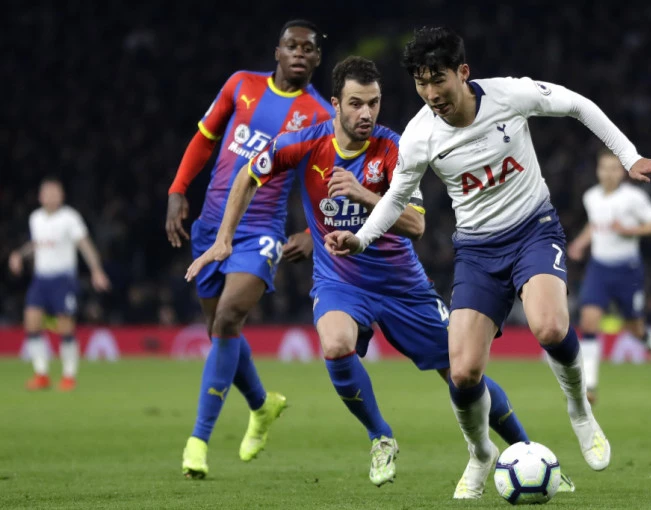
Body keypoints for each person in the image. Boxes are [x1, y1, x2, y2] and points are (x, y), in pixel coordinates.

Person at [186, 56, 575, 492]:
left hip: (402, 286)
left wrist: (364, 194)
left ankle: (527, 452)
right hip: (340, 281)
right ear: (336, 104)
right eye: (356, 103)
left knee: (462, 374)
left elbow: (416, 225)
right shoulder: (305, 142)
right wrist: (224, 239)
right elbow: (247, 174)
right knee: (335, 345)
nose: (366, 113)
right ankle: (380, 436)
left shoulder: (394, 148)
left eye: (373, 103)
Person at [324, 27, 651, 498]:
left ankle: (579, 410)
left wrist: (628, 156)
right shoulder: (419, 136)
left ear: (463, 72)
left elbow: (577, 104)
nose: (431, 94)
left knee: (549, 327)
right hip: (476, 251)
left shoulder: (509, 95)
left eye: (438, 80)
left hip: (533, 230)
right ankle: (480, 453)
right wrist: (362, 238)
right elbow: (396, 197)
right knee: (463, 373)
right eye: (421, 83)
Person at [165, 19, 334, 479]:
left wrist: (312, 233)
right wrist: (178, 188)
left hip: (261, 231)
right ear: (277, 51)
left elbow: (322, 182)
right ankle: (262, 405)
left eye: (308, 49)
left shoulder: (320, 115)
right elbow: (205, 138)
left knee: (227, 319)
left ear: (317, 59)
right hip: (210, 227)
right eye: (291, 46)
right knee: (220, 330)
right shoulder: (241, 85)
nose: (299, 53)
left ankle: (198, 441)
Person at [568, 148, 651, 404]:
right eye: (604, 168)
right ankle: (590, 386)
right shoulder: (591, 197)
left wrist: (629, 231)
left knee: (634, 327)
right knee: (589, 321)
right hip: (599, 268)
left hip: (627, 270)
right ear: (598, 170)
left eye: (614, 168)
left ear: (622, 172)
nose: (609, 173)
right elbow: (595, 225)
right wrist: (580, 242)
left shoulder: (633, 198)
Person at [8, 177, 111, 391]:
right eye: (47, 193)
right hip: (40, 279)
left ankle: (69, 376)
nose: (51, 196)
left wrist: (96, 270)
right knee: (31, 323)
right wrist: (19, 255)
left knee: (65, 327)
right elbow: (36, 243)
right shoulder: (35, 218)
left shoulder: (70, 218)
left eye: (55, 193)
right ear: (41, 196)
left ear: (62, 196)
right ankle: (41, 374)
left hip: (63, 279)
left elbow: (84, 244)